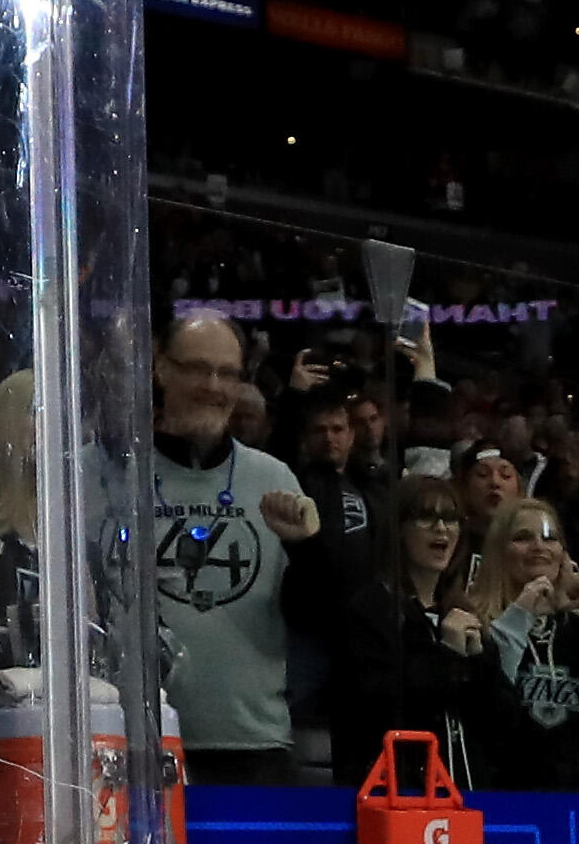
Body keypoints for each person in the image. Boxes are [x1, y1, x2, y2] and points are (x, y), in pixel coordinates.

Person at [150, 312, 323, 785]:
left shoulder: (274, 479)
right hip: (130, 742)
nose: (213, 386)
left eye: (227, 373)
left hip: (251, 748)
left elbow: (315, 617)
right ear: (160, 368)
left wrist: (309, 550)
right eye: (197, 368)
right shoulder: (101, 472)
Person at [324, 473, 516, 792]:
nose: (441, 528)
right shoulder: (370, 609)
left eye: (451, 518)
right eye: (426, 517)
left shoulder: (462, 612)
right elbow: (376, 709)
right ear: (398, 529)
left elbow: (503, 725)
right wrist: (446, 656)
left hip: (466, 793)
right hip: (394, 796)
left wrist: (479, 664)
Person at [467, 496, 579, 792]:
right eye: (522, 538)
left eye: (550, 538)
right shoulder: (476, 624)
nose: (539, 546)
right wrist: (521, 613)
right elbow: (488, 710)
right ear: (499, 551)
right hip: (504, 793)